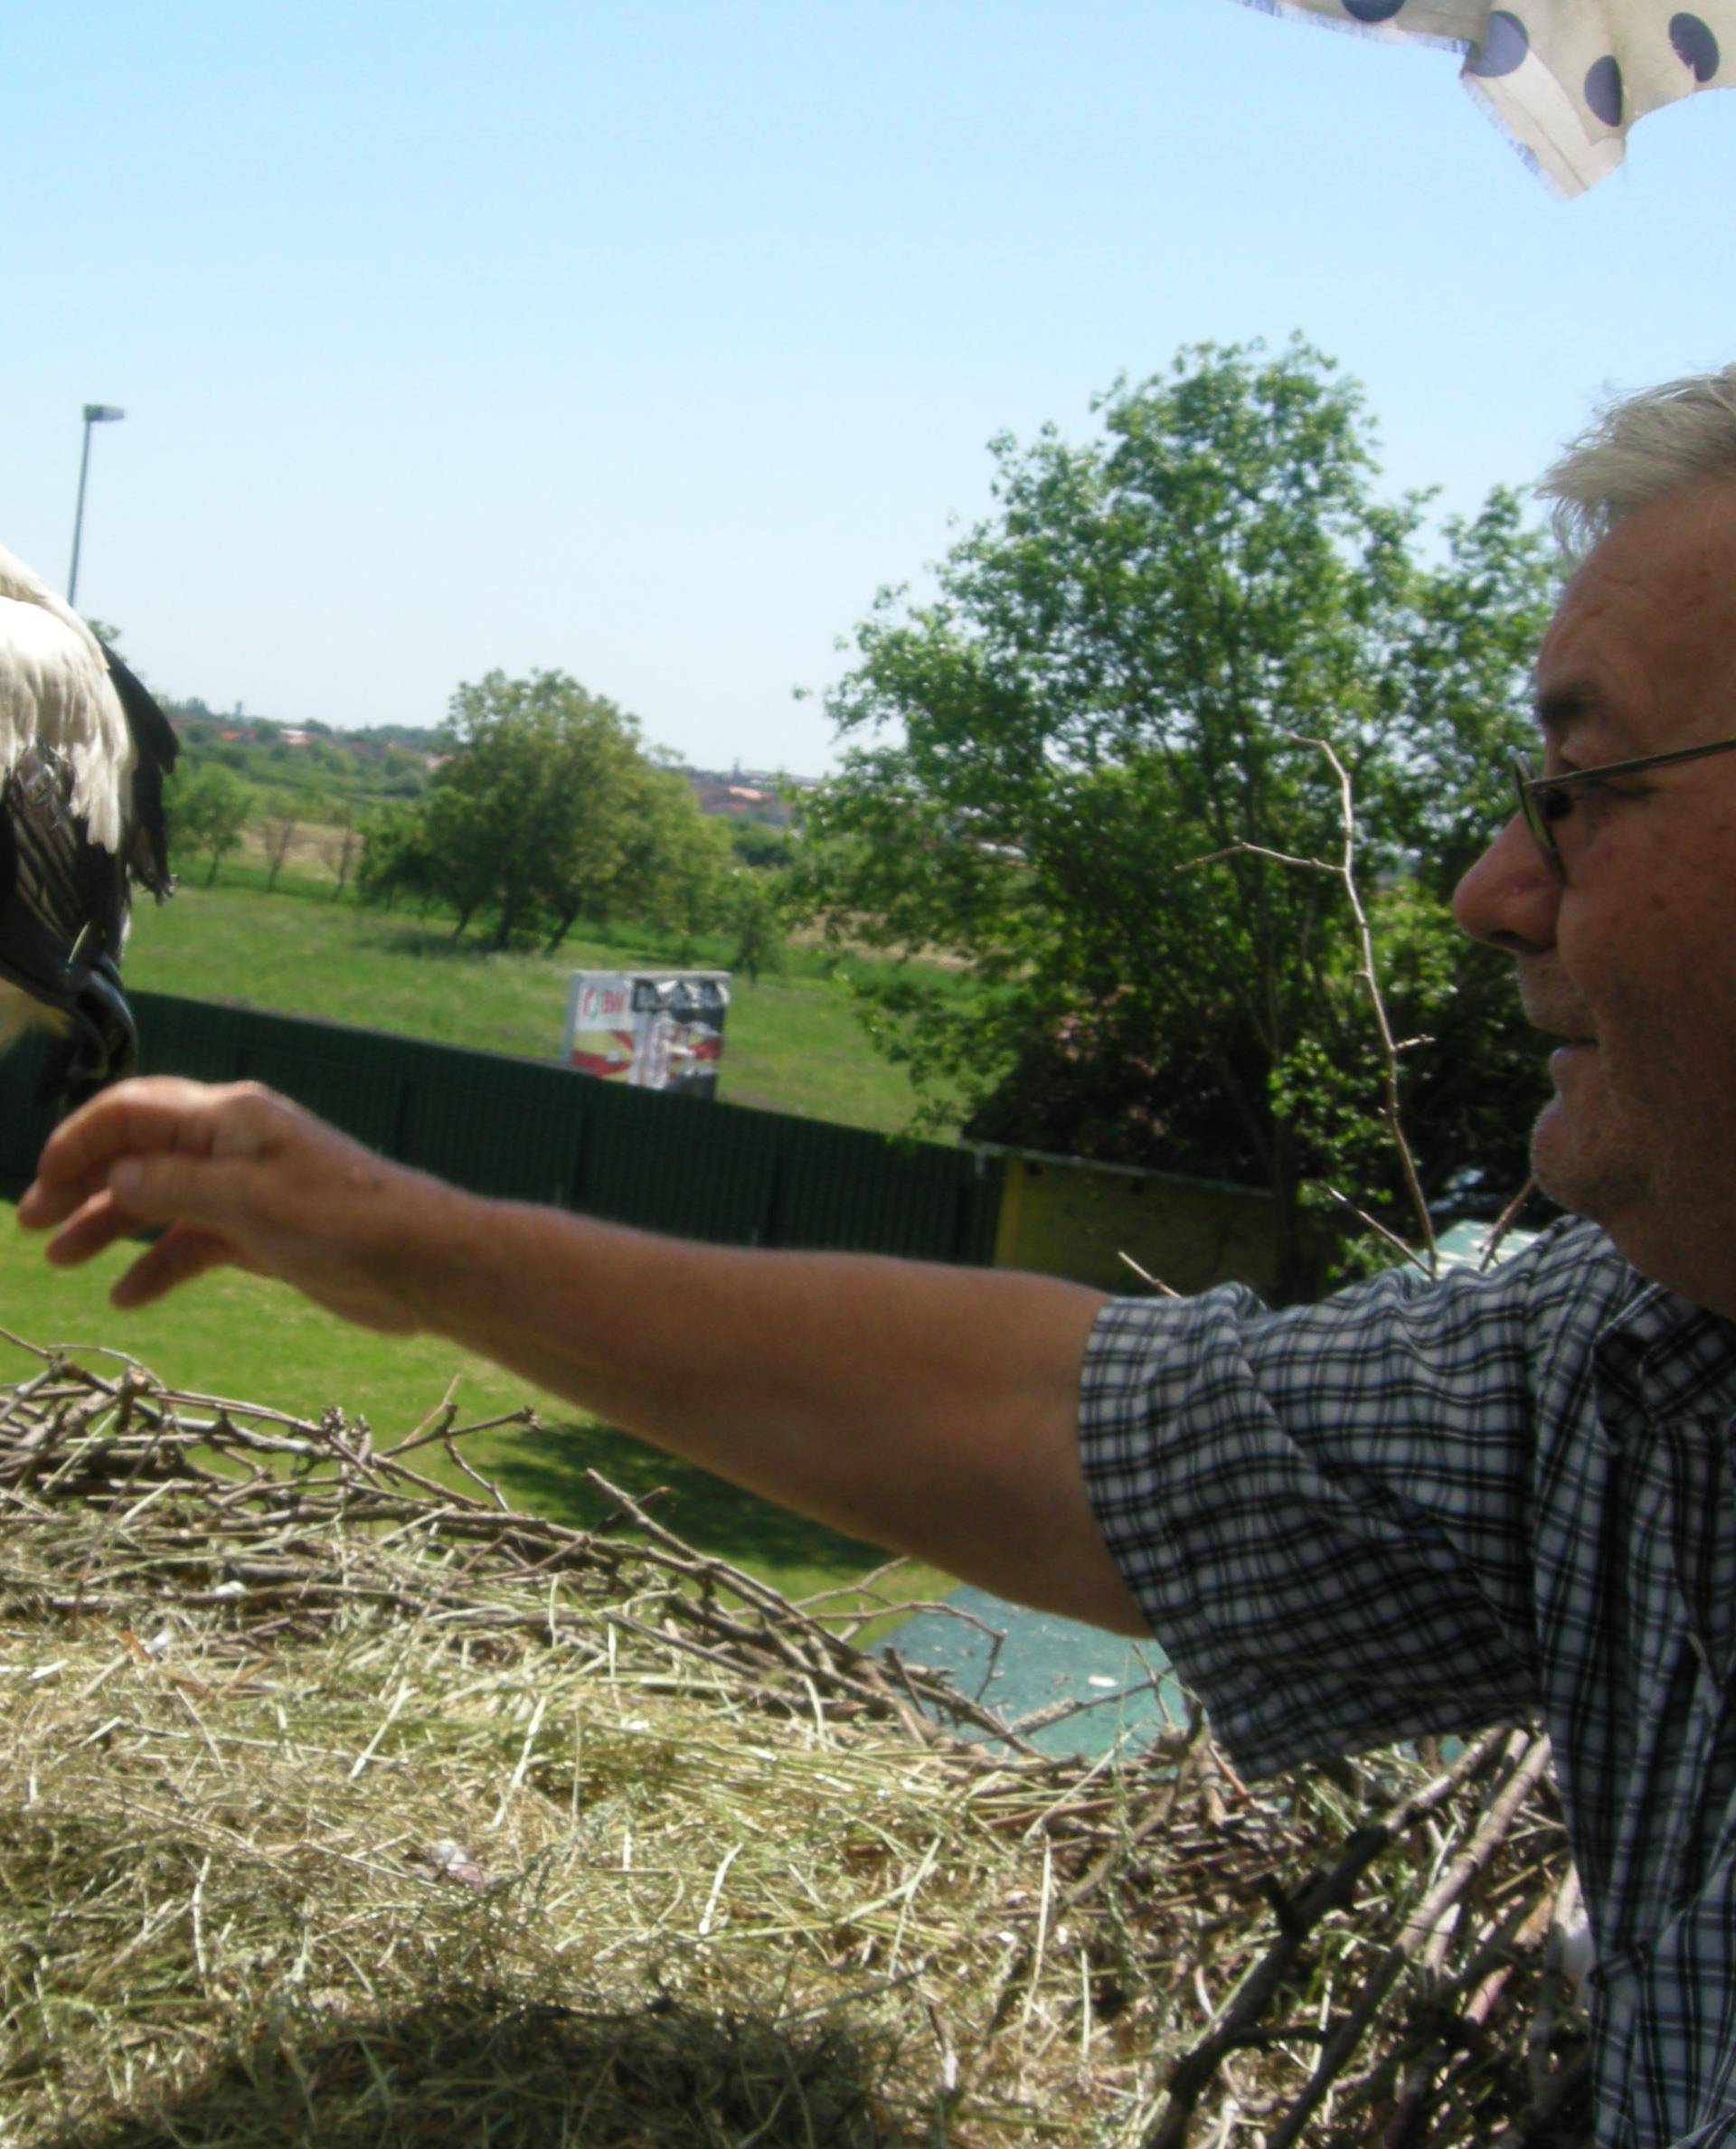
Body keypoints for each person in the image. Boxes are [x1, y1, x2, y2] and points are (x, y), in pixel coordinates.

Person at [19, 366, 1736, 2147]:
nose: (1486, 889)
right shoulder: (1620, 1366)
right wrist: (402, 1244)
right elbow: (1093, 1430)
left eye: (1586, 790)